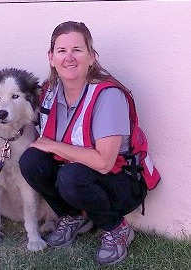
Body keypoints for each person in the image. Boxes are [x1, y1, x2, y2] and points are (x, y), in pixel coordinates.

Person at [18, 21, 151, 265]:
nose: (69, 57)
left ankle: (116, 228)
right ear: (51, 58)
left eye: (77, 50)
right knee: (30, 161)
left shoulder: (107, 94)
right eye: (61, 51)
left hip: (121, 181)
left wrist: (53, 145)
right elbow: (14, 118)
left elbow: (103, 162)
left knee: (70, 176)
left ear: (91, 57)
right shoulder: (49, 91)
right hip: (77, 173)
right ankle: (74, 216)